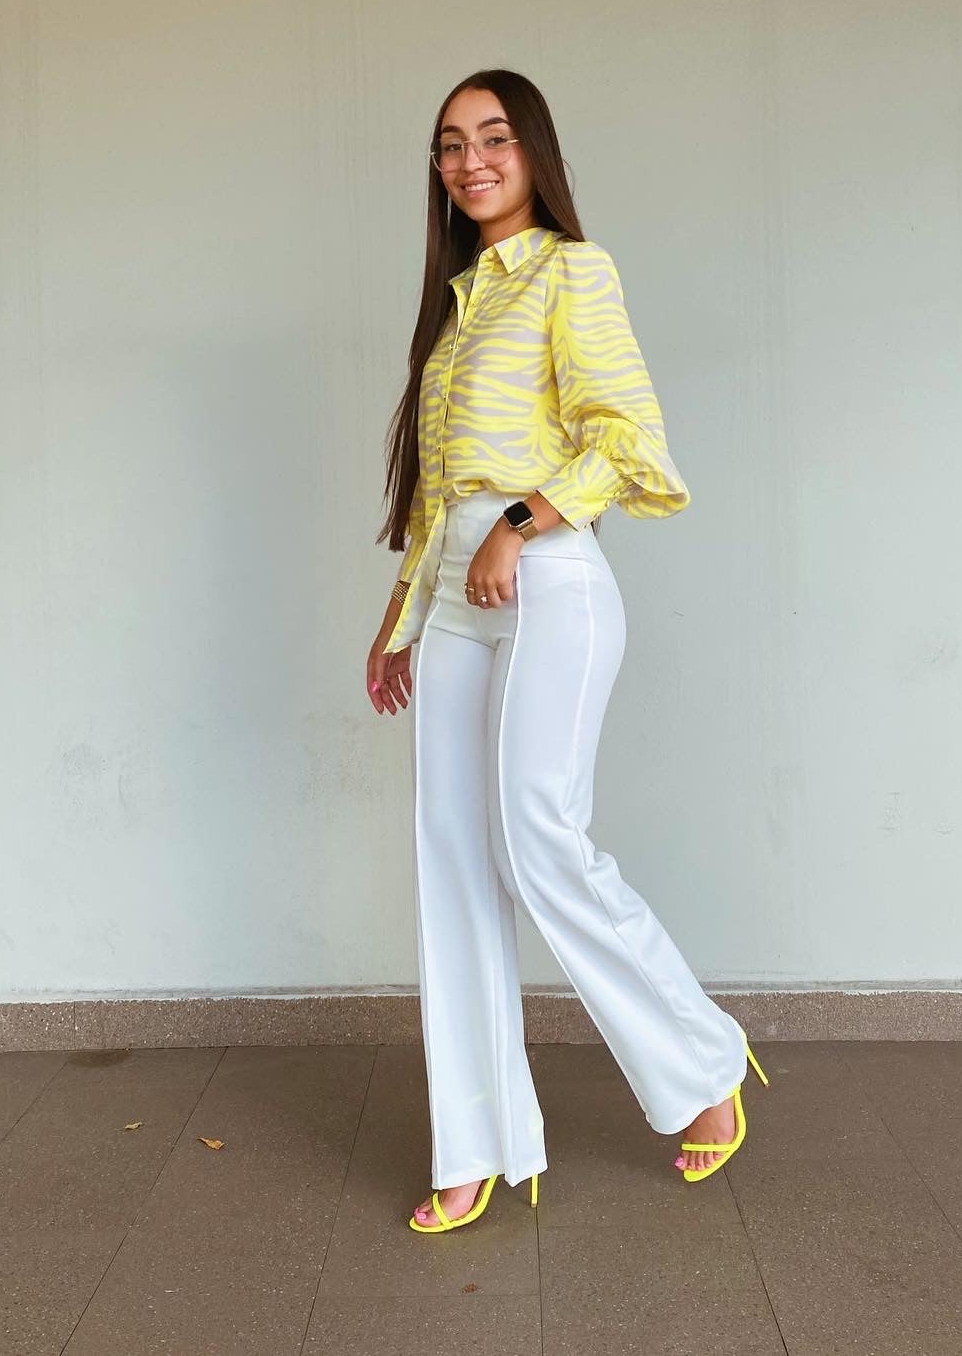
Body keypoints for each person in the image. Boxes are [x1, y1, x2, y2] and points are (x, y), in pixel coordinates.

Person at [366, 68, 769, 1235]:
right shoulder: (456, 306)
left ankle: (700, 1063)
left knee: (539, 835)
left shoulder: (570, 273)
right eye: (448, 144)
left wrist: (520, 524)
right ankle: (476, 1138)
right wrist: (399, 621)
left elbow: (627, 442)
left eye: (493, 137)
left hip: (546, 575)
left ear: (534, 153)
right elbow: (438, 493)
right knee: (449, 861)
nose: (469, 159)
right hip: (451, 589)